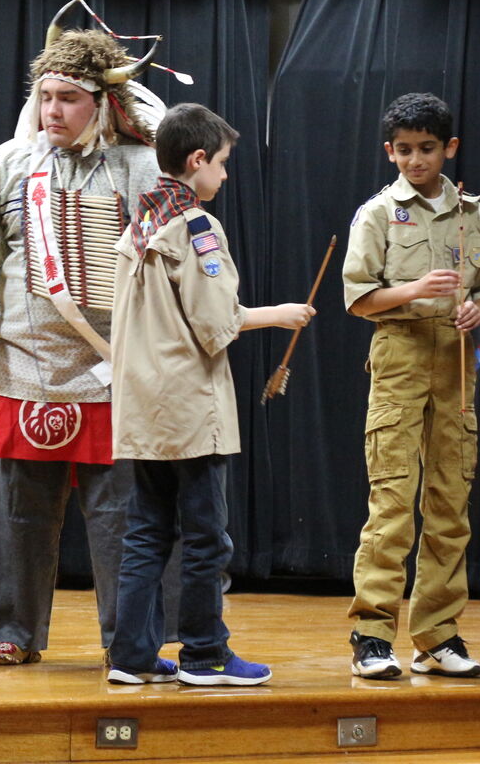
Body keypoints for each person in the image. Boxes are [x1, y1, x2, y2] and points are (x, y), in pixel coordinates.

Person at [0, 0, 173, 666]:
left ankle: (126, 638)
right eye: (45, 97)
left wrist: (140, 113)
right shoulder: (11, 164)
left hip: (114, 369)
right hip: (24, 367)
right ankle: (13, 631)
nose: (53, 112)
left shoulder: (142, 167)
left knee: (122, 519)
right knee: (17, 516)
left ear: (101, 103)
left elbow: (185, 218)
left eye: (69, 98)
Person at [106, 103, 314, 687]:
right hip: (188, 408)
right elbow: (215, 322)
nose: (224, 176)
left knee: (146, 531)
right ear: (196, 160)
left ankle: (133, 655)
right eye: (221, 164)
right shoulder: (196, 227)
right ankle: (204, 653)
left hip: (142, 405)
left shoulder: (139, 222)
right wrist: (279, 314)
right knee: (205, 536)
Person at [342, 92, 480, 680]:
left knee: (449, 504)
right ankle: (371, 633)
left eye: (427, 149)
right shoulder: (379, 214)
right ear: (390, 152)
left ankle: (438, 634)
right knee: (391, 503)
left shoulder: (474, 216)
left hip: (456, 364)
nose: (416, 160)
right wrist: (413, 291)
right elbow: (359, 298)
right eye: (405, 150)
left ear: (450, 148)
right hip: (400, 358)